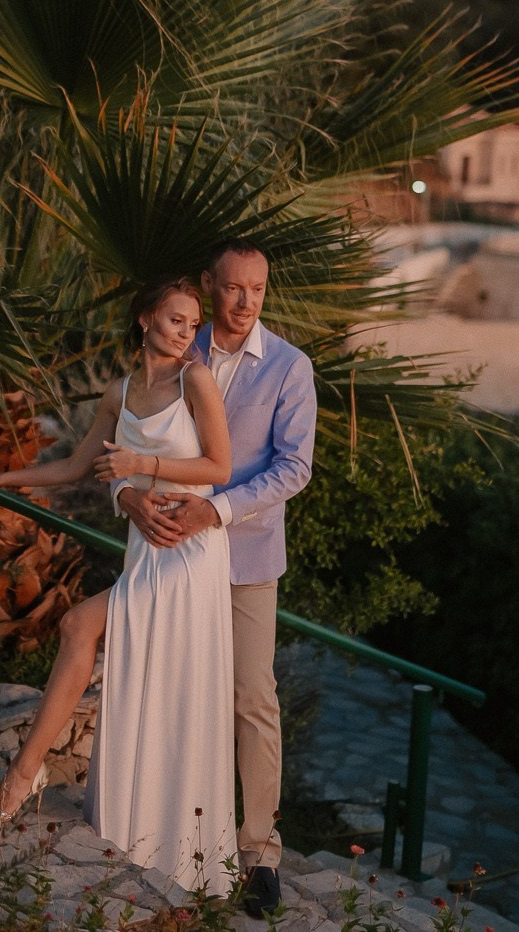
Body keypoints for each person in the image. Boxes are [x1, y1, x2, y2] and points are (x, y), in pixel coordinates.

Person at [0, 277, 237, 895]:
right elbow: (76, 465)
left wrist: (143, 465)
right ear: (144, 319)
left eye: (192, 324)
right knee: (112, 650)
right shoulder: (119, 392)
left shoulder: (197, 381)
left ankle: (20, 780)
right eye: (173, 319)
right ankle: (145, 827)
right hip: (146, 553)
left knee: (78, 623)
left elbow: (220, 467)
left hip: (188, 552)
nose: (184, 332)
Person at [114, 240, 317, 918]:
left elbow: (294, 468)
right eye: (233, 287)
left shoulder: (290, 367)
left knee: (251, 697)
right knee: (167, 686)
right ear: (210, 285)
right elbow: (128, 445)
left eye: (257, 289)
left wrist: (217, 509)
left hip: (245, 558)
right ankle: (167, 829)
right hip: (168, 551)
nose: (246, 300)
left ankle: (258, 852)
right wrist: (131, 498)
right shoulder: (176, 341)